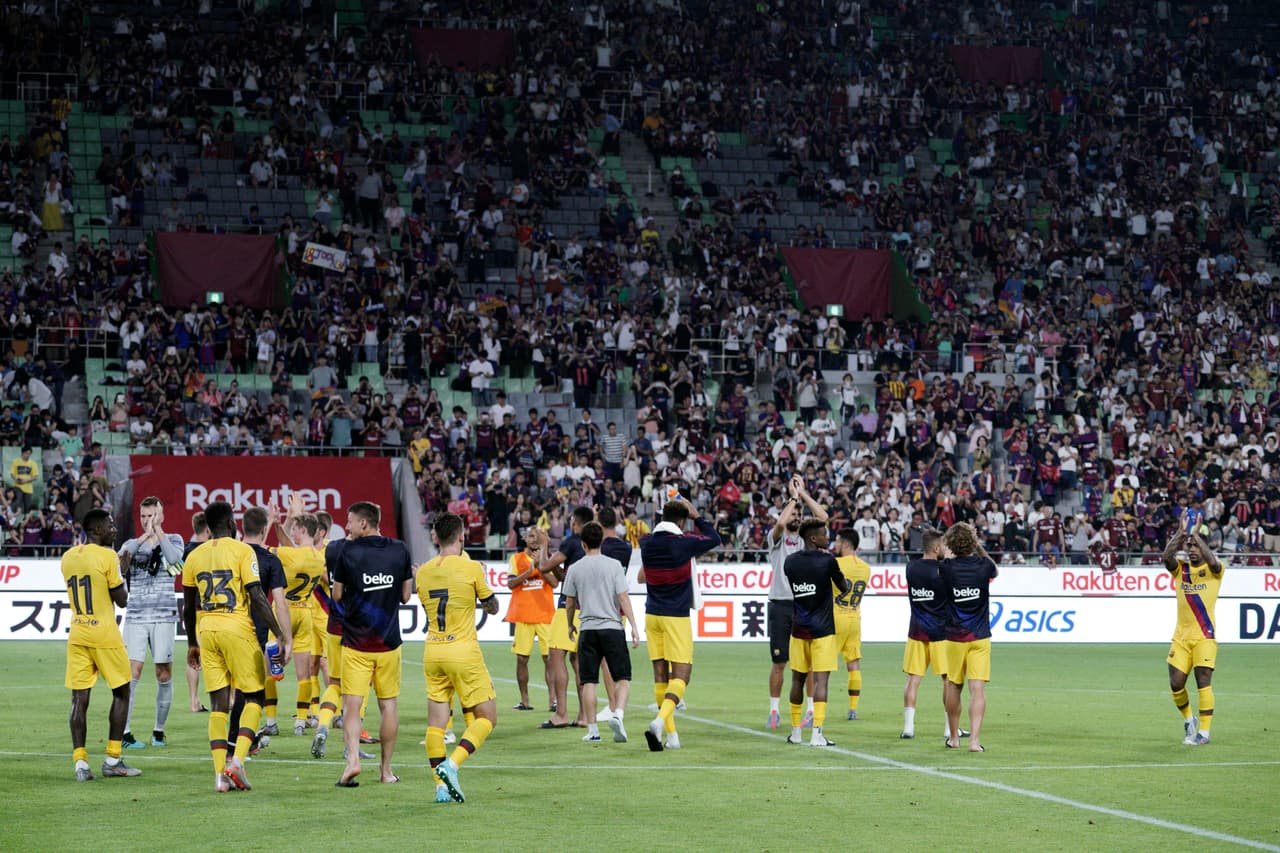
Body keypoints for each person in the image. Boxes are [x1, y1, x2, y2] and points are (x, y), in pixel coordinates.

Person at [183, 500, 291, 792]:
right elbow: (256, 595)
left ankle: (219, 775)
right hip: (237, 627)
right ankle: (238, 762)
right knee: (255, 696)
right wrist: (279, 633)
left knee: (219, 704)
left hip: (207, 631)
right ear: (231, 524)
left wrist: (192, 643)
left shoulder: (194, 555)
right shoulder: (243, 551)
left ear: (207, 527)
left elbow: (188, 605)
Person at [329, 501, 414, 787]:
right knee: (388, 706)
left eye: (350, 521)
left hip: (356, 643)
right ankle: (386, 771)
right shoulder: (400, 550)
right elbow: (405, 596)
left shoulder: (347, 551)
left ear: (363, 523)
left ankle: (353, 760)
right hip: (388, 643)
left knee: (351, 707)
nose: (347, 526)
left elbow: (337, 595)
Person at [418, 512, 501, 803]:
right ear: (462, 537)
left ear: (436, 538)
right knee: (487, 718)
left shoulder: (423, 571)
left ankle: (440, 788)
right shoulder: (471, 568)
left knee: (436, 725)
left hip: (433, 651)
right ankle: (452, 766)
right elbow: (492, 607)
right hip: (463, 651)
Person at [62, 509, 141, 780]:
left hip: (78, 634)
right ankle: (113, 759)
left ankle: (80, 762)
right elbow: (121, 599)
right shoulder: (109, 556)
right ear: (96, 530)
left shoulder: (69, 556)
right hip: (105, 635)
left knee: (79, 699)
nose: (114, 529)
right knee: (122, 692)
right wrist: (123, 571)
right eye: (109, 525)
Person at [638, 497, 721, 752]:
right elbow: (714, 538)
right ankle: (659, 721)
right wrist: (698, 516)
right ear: (682, 521)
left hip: (652, 614)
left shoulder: (646, 542)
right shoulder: (683, 544)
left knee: (660, 675)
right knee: (682, 675)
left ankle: (671, 736)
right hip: (676, 616)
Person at [117, 496, 186, 748]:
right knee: (131, 672)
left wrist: (158, 532)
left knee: (163, 672)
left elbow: (175, 562)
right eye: (144, 516)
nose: (148, 520)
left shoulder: (175, 539)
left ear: (161, 515)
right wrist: (145, 537)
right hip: (136, 615)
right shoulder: (132, 543)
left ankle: (159, 730)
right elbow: (121, 562)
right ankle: (124, 733)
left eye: (152, 515)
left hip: (164, 615)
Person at [564, 521, 640, 744]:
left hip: (588, 629)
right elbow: (623, 597)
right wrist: (634, 626)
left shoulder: (575, 568)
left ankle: (593, 730)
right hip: (612, 627)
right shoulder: (614, 565)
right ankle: (618, 714)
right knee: (622, 678)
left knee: (588, 682)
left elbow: (569, 602)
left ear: (583, 543)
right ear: (602, 542)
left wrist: (570, 624)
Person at [782, 518, 851, 747]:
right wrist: (847, 584)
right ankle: (817, 733)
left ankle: (795, 732)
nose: (827, 537)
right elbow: (843, 588)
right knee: (821, 681)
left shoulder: (790, 562)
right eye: (823, 534)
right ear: (813, 538)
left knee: (796, 680)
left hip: (799, 629)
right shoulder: (828, 561)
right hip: (823, 631)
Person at [766, 475, 827, 729]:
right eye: (793, 514)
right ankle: (774, 710)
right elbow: (781, 522)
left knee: (809, 662)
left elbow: (822, 518)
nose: (796, 517)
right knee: (779, 662)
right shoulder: (776, 538)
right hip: (780, 603)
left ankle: (811, 710)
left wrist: (802, 496)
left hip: (805, 604)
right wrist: (792, 499)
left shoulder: (806, 540)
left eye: (799, 514)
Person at [1162, 512, 1223, 746]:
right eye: (1190, 546)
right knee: (1176, 684)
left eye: (1196, 545)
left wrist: (1197, 535)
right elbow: (1166, 556)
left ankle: (1204, 734)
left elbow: (1213, 560)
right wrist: (1181, 534)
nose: (1192, 549)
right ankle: (1189, 719)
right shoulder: (1181, 570)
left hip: (1205, 637)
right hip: (1181, 638)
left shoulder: (1215, 570)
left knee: (1203, 681)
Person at [236, 507, 292, 752]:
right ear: (263, 531)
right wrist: (286, 639)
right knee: (252, 691)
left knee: (232, 689)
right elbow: (280, 604)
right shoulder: (271, 560)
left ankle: (234, 740)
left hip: (226, 626)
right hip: (255, 631)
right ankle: (242, 742)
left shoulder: (233, 554)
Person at [900, 528, 964, 741]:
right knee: (948, 680)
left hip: (917, 630)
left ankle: (908, 727)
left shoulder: (911, 568)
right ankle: (949, 728)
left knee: (913, 680)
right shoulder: (943, 569)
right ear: (937, 548)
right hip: (941, 632)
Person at [939, 522, 998, 753]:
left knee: (954, 686)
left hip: (954, 637)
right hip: (980, 636)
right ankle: (974, 741)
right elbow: (995, 569)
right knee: (978, 690)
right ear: (972, 543)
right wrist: (978, 545)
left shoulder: (946, 568)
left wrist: (953, 543)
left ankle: (954, 737)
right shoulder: (983, 566)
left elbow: (942, 555)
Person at [534, 505, 594, 727]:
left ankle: (561, 714)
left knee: (556, 657)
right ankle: (584, 716)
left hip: (568, 607)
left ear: (575, 523)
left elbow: (544, 566)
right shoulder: (592, 545)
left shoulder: (572, 541)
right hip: (587, 608)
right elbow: (561, 576)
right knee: (578, 662)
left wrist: (543, 545)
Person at [272, 497, 326, 736]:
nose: (291, 532)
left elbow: (278, 547)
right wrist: (289, 519)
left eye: (294, 528)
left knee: (270, 670)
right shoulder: (319, 557)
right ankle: (301, 720)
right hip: (305, 613)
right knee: (304, 675)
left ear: (302, 529)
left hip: (283, 611)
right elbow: (293, 548)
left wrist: (277, 523)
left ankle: (271, 720)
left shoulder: (288, 556)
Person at [505, 527, 555, 711]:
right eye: (532, 536)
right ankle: (524, 700)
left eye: (538, 536)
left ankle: (553, 701)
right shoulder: (516, 559)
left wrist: (541, 566)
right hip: (524, 616)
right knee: (521, 659)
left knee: (549, 659)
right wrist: (530, 570)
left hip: (545, 615)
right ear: (525, 539)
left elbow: (555, 583)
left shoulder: (548, 558)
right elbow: (511, 583)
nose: (535, 540)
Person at [595, 505, 633, 721]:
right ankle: (614, 705)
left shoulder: (600, 549)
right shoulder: (625, 547)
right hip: (620, 608)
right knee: (612, 658)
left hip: (602, 606)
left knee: (604, 660)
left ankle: (612, 705)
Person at [831, 528, 870, 721]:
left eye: (838, 541)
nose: (835, 545)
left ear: (846, 544)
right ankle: (853, 710)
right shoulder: (865, 568)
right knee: (854, 664)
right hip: (854, 617)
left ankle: (814, 708)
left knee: (822, 666)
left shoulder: (835, 564)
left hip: (836, 617)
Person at [183, 512, 209, 713]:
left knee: (193, 655)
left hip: (193, 609)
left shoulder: (187, 551)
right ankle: (232, 698)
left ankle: (193, 700)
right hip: (212, 610)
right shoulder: (211, 550)